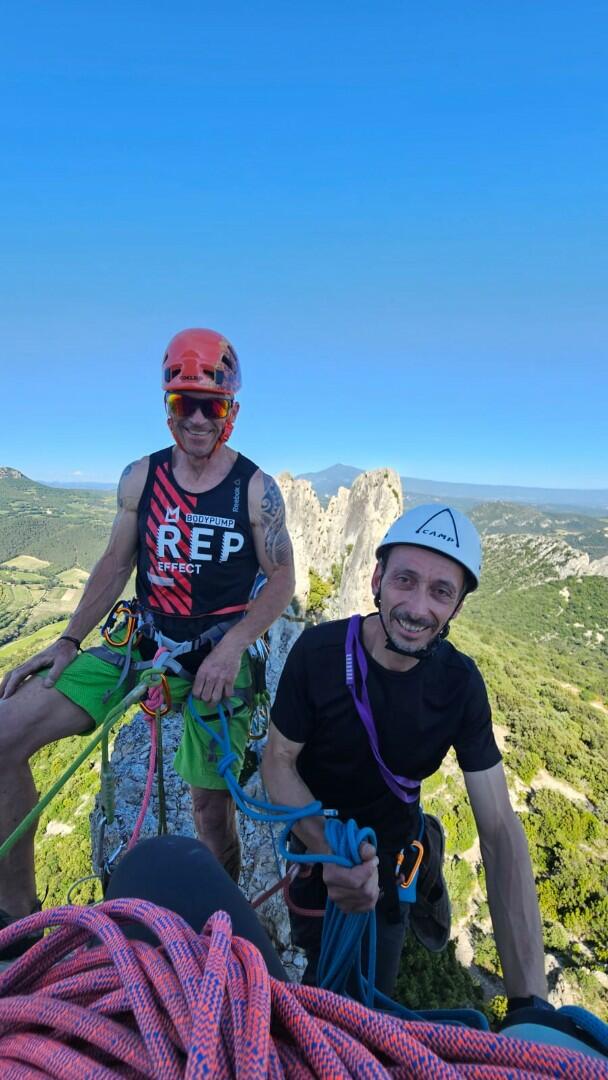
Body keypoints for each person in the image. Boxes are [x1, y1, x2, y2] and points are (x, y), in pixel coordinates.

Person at [0, 328, 295, 951]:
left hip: (215, 657)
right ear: (168, 406)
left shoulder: (255, 489)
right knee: (3, 737)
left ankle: (223, 935)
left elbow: (282, 578)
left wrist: (233, 646)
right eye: (184, 403)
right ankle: (16, 920)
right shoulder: (142, 477)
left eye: (209, 405)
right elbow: (115, 562)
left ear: (230, 411)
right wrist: (69, 640)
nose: (196, 418)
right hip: (144, 645)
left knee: (210, 815)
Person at [262, 504, 548, 1007]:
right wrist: (331, 849)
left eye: (441, 591)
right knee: (320, 982)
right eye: (405, 580)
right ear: (377, 579)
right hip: (318, 856)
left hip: (394, 872)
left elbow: (500, 829)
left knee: (373, 1001)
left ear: (457, 607)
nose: (417, 608)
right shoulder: (318, 653)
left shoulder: (460, 686)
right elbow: (278, 760)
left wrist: (531, 1004)